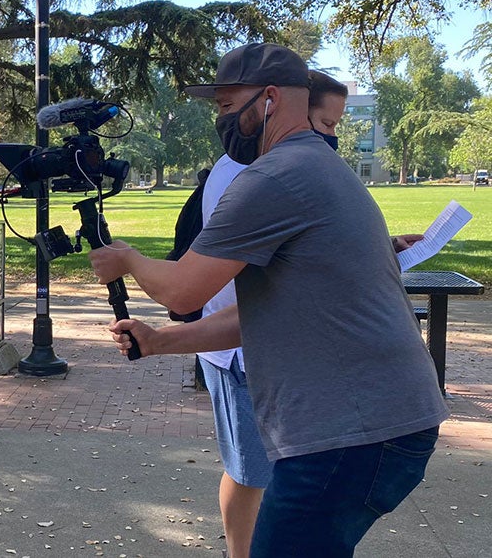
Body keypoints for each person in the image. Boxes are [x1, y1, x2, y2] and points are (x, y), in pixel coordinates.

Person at [90, 43, 449, 557]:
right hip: (380, 423)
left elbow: (183, 289)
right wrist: (158, 341)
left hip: (353, 434)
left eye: (226, 106)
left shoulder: (274, 177)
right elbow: (261, 313)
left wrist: (127, 259)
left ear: (270, 99)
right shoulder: (317, 166)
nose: (221, 120)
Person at [190, 68, 424, 558]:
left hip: (305, 375)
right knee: (251, 473)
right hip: (245, 353)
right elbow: (195, 287)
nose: (331, 137)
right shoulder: (260, 174)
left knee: (276, 492)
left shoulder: (297, 168)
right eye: (327, 123)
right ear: (291, 109)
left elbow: (307, 252)